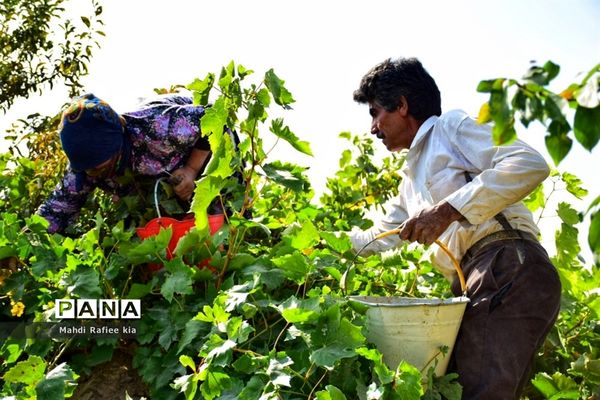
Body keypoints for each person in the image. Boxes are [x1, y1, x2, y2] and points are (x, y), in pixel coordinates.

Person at [349, 58, 561, 400]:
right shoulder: (411, 179)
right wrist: (317, 242)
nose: (373, 127)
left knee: (479, 393)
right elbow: (380, 237)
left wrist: (447, 211)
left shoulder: (451, 127)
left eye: (375, 113)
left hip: (506, 266)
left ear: (401, 105)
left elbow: (529, 163)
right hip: (478, 280)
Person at [37, 93, 232, 234]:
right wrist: (26, 241)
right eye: (86, 168)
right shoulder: (86, 168)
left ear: (115, 145)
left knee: (223, 225)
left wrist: (191, 169)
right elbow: (57, 209)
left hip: (207, 153)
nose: (91, 173)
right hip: (161, 186)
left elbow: (215, 120)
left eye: (97, 166)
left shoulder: (157, 125)